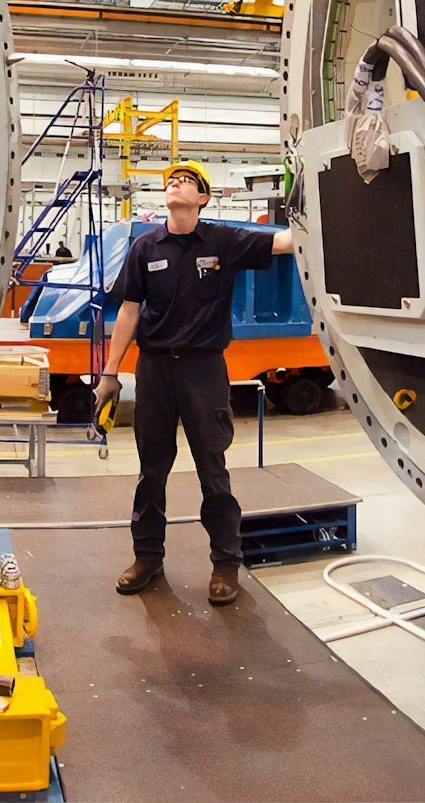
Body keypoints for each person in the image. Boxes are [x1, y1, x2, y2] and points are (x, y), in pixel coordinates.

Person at [94, 162, 293, 606]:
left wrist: (317, 207)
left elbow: (286, 242)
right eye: (171, 180)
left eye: (187, 181)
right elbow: (128, 310)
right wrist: (110, 373)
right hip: (155, 370)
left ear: (203, 198)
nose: (176, 183)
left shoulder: (223, 240)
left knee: (212, 468)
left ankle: (225, 564)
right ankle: (147, 558)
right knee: (151, 470)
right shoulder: (146, 247)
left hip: (203, 370)